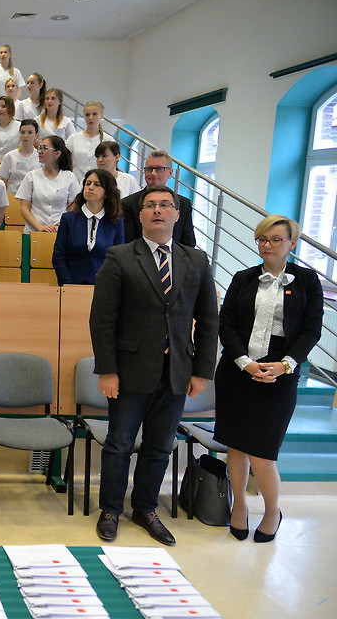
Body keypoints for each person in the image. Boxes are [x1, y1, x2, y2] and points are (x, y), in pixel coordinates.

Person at [89, 185, 218, 546]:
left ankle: (145, 508)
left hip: (177, 371)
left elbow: (209, 320)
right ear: (141, 214)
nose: (157, 210)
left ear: (177, 214)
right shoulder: (120, 256)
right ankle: (111, 509)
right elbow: (102, 319)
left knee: (160, 447)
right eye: (150, 205)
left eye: (165, 205)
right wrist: (107, 370)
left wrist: (202, 371)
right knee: (119, 444)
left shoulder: (196, 260)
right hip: (129, 370)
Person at [213, 215, 323, 543]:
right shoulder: (243, 278)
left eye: (276, 239)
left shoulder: (307, 281)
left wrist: (286, 364)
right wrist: (245, 363)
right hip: (238, 370)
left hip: (281, 372)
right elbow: (226, 324)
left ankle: (272, 511)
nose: (267, 245)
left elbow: (311, 330)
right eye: (262, 239)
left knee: (263, 453)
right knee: (235, 447)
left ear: (292, 243)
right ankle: (239, 506)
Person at [52, 168, 125, 285]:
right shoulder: (68, 219)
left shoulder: (115, 222)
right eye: (88, 183)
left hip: (103, 285)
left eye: (97, 184)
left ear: (107, 192)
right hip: (71, 284)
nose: (90, 187)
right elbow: (58, 256)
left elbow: (118, 259)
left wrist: (106, 286)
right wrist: (68, 285)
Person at [121, 150, 196, 246]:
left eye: (159, 169)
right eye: (149, 169)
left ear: (170, 173)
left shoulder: (184, 204)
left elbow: (188, 243)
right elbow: (127, 243)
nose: (153, 173)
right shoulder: (128, 204)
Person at [16, 135, 81, 233]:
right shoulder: (31, 176)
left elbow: (73, 207)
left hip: (60, 230)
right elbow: (24, 208)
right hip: (34, 230)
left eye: (45, 148)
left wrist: (60, 226)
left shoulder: (69, 177)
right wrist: (40, 227)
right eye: (40, 148)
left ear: (57, 153)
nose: (40, 151)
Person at [65, 101, 114, 181]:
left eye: (94, 114)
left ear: (101, 115)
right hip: (76, 183)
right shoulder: (73, 139)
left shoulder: (108, 140)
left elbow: (111, 166)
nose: (90, 118)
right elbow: (65, 163)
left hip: (100, 183)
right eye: (87, 114)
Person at [0, 118, 41, 194]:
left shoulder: (41, 156)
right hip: (14, 196)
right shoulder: (9, 156)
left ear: (36, 135)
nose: (25, 136)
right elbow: (2, 182)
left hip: (34, 196)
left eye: (30, 132)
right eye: (23, 132)